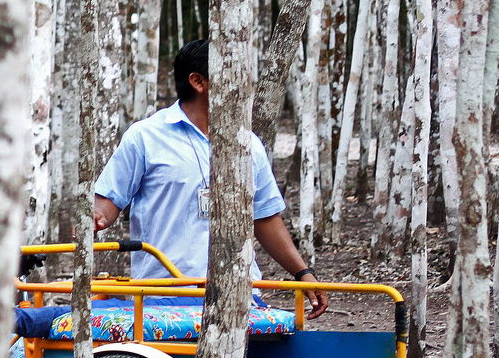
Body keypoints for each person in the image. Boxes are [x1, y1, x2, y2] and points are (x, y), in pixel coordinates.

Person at [94, 39, 328, 318]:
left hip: (239, 295)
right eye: (234, 74)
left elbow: (265, 218)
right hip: (166, 297)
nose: (245, 84)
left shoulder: (248, 144)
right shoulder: (145, 137)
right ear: (198, 81)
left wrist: (303, 272)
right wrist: (95, 218)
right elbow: (107, 202)